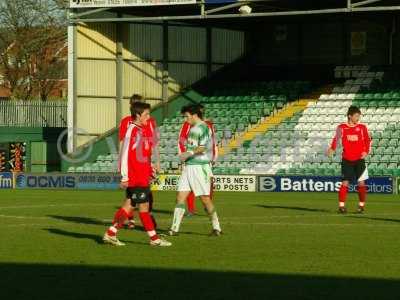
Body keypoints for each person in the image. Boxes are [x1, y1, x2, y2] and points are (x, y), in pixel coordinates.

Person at [103, 101, 171, 246]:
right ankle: (154, 239)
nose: (149, 117)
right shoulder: (132, 131)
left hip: (141, 176)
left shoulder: (141, 130)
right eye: (146, 114)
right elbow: (125, 155)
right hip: (136, 179)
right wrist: (125, 177)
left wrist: (150, 168)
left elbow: (141, 156)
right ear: (138, 115)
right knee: (143, 208)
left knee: (128, 206)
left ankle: (111, 233)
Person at [169, 104, 222, 236]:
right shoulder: (194, 128)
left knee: (205, 199)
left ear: (194, 115)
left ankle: (217, 227)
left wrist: (188, 153)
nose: (185, 119)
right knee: (180, 197)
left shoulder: (203, 127)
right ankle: (174, 229)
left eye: (187, 116)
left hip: (199, 167)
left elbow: (202, 148)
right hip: (189, 167)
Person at [117, 94, 160, 229]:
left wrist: (154, 163)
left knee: (135, 200)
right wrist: (123, 170)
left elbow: (153, 142)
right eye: (133, 103)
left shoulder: (149, 122)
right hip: (135, 168)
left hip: (143, 166)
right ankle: (137, 224)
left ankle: (113, 230)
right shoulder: (128, 124)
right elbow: (123, 145)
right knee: (135, 201)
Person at [327, 105, 371, 214]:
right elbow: (336, 138)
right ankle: (341, 206)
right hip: (347, 159)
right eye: (356, 116)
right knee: (345, 183)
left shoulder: (362, 127)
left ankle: (361, 206)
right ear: (349, 116)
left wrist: (366, 151)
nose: (358, 118)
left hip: (359, 159)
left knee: (361, 183)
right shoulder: (341, 127)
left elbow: (367, 140)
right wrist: (332, 148)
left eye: (359, 116)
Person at [177, 104, 218, 215]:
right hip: (191, 161)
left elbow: (213, 142)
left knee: (206, 189)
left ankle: (211, 215)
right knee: (186, 189)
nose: (202, 112)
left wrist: (214, 156)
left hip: (203, 160)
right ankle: (191, 209)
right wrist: (183, 155)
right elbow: (181, 139)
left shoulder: (207, 125)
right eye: (201, 110)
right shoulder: (187, 125)